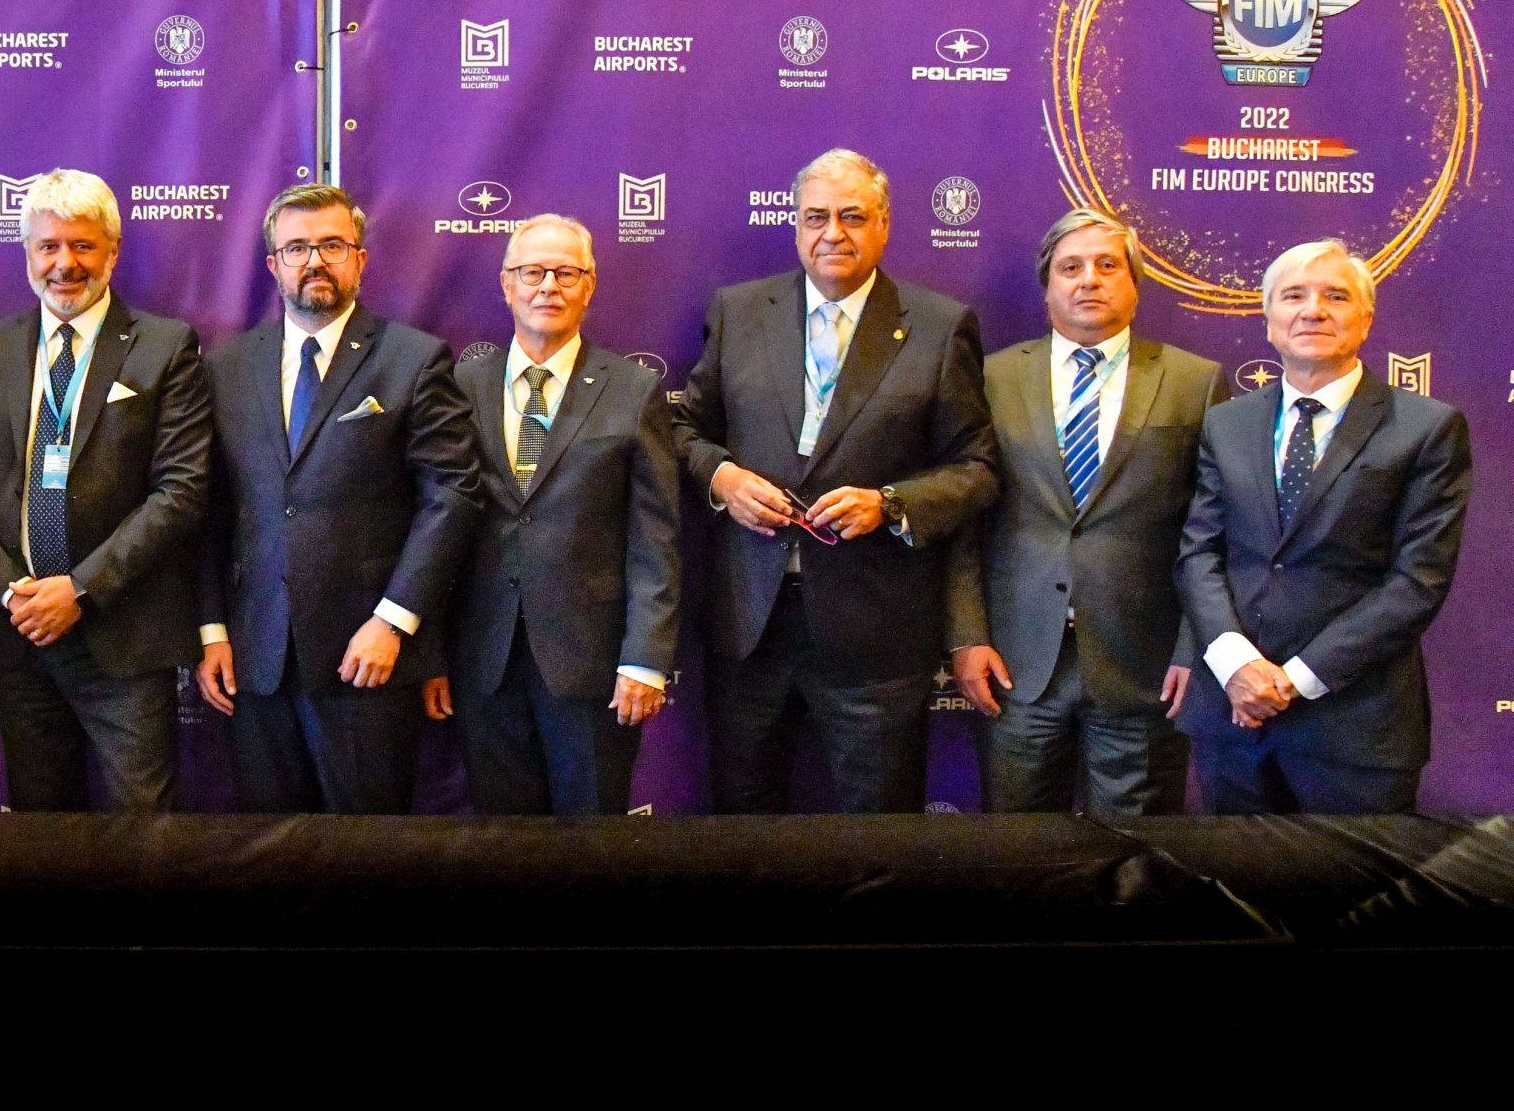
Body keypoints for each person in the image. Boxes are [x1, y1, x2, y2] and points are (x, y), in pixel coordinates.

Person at [671, 148, 998, 814]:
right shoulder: (738, 312)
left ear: (884, 224)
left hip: (876, 632)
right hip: (751, 626)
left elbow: (977, 466)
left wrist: (891, 503)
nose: (832, 233)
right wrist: (722, 477)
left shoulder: (940, 327)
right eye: (815, 217)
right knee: (743, 828)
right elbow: (681, 431)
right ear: (795, 225)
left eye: (852, 216)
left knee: (878, 835)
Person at [194, 183, 481, 813]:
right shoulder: (226, 367)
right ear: (273, 265)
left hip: (367, 658)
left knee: (368, 850)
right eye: (296, 248)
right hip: (256, 661)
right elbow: (208, 509)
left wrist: (393, 620)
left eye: (332, 245)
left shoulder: (414, 359)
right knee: (268, 848)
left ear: (360, 258)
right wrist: (212, 629)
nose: (315, 261)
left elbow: (453, 496)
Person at [0, 169, 211, 811]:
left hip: (122, 633)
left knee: (141, 828)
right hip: (20, 631)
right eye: (49, 246)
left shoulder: (165, 346)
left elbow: (181, 489)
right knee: (41, 827)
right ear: (27, 254)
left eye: (83, 245)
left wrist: (81, 589)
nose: (65, 263)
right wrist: (9, 591)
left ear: (112, 252)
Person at [946, 209, 1228, 814]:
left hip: (1145, 667)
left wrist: (1193, 650)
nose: (1089, 280)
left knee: (1135, 852)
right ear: (1047, 287)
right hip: (1016, 664)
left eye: (1107, 265)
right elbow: (964, 521)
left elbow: (1211, 534)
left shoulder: (1195, 382)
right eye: (1070, 267)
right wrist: (967, 636)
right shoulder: (991, 378)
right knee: (1018, 849)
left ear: (1135, 284)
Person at [1175, 238, 1470, 813]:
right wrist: (1236, 665)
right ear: (1269, 321)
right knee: (1232, 873)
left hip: (1356, 726)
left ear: (1366, 319)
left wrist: (1292, 680)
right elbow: (1199, 554)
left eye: (1335, 296)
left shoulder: (1427, 428)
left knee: (1353, 877)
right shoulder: (1226, 423)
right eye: (1293, 296)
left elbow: (1418, 581)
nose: (1313, 310)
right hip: (1232, 719)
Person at [424, 214, 680, 814]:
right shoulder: (460, 385)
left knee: (593, 845)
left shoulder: (633, 390)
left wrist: (646, 659)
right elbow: (437, 526)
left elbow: (656, 538)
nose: (548, 287)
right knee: (504, 843)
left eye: (566, 273)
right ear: (506, 284)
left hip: (592, 666)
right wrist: (429, 653)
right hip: (483, 662)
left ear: (589, 286)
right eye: (532, 272)